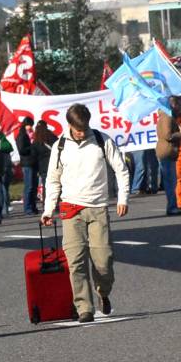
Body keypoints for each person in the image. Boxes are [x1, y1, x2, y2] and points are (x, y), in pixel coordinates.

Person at [41, 104, 130, 323]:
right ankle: (84, 307)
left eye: (85, 128)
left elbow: (121, 169)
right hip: (71, 209)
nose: (82, 132)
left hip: (98, 208)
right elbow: (52, 179)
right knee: (75, 260)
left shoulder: (102, 140)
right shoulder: (60, 146)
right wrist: (48, 209)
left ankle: (103, 292)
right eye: (78, 129)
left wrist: (122, 198)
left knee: (103, 261)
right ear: (69, 125)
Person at [155, 96, 181, 216]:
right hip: (167, 151)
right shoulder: (167, 117)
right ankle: (172, 207)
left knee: (171, 180)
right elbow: (167, 135)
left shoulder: (165, 117)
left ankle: (173, 205)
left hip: (166, 151)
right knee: (171, 181)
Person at [15, 117, 39, 215]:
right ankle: (27, 208)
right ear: (26, 125)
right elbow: (22, 150)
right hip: (27, 163)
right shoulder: (22, 135)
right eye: (30, 125)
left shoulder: (29, 135)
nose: (31, 127)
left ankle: (33, 206)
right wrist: (32, 147)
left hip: (32, 162)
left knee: (34, 186)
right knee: (29, 186)